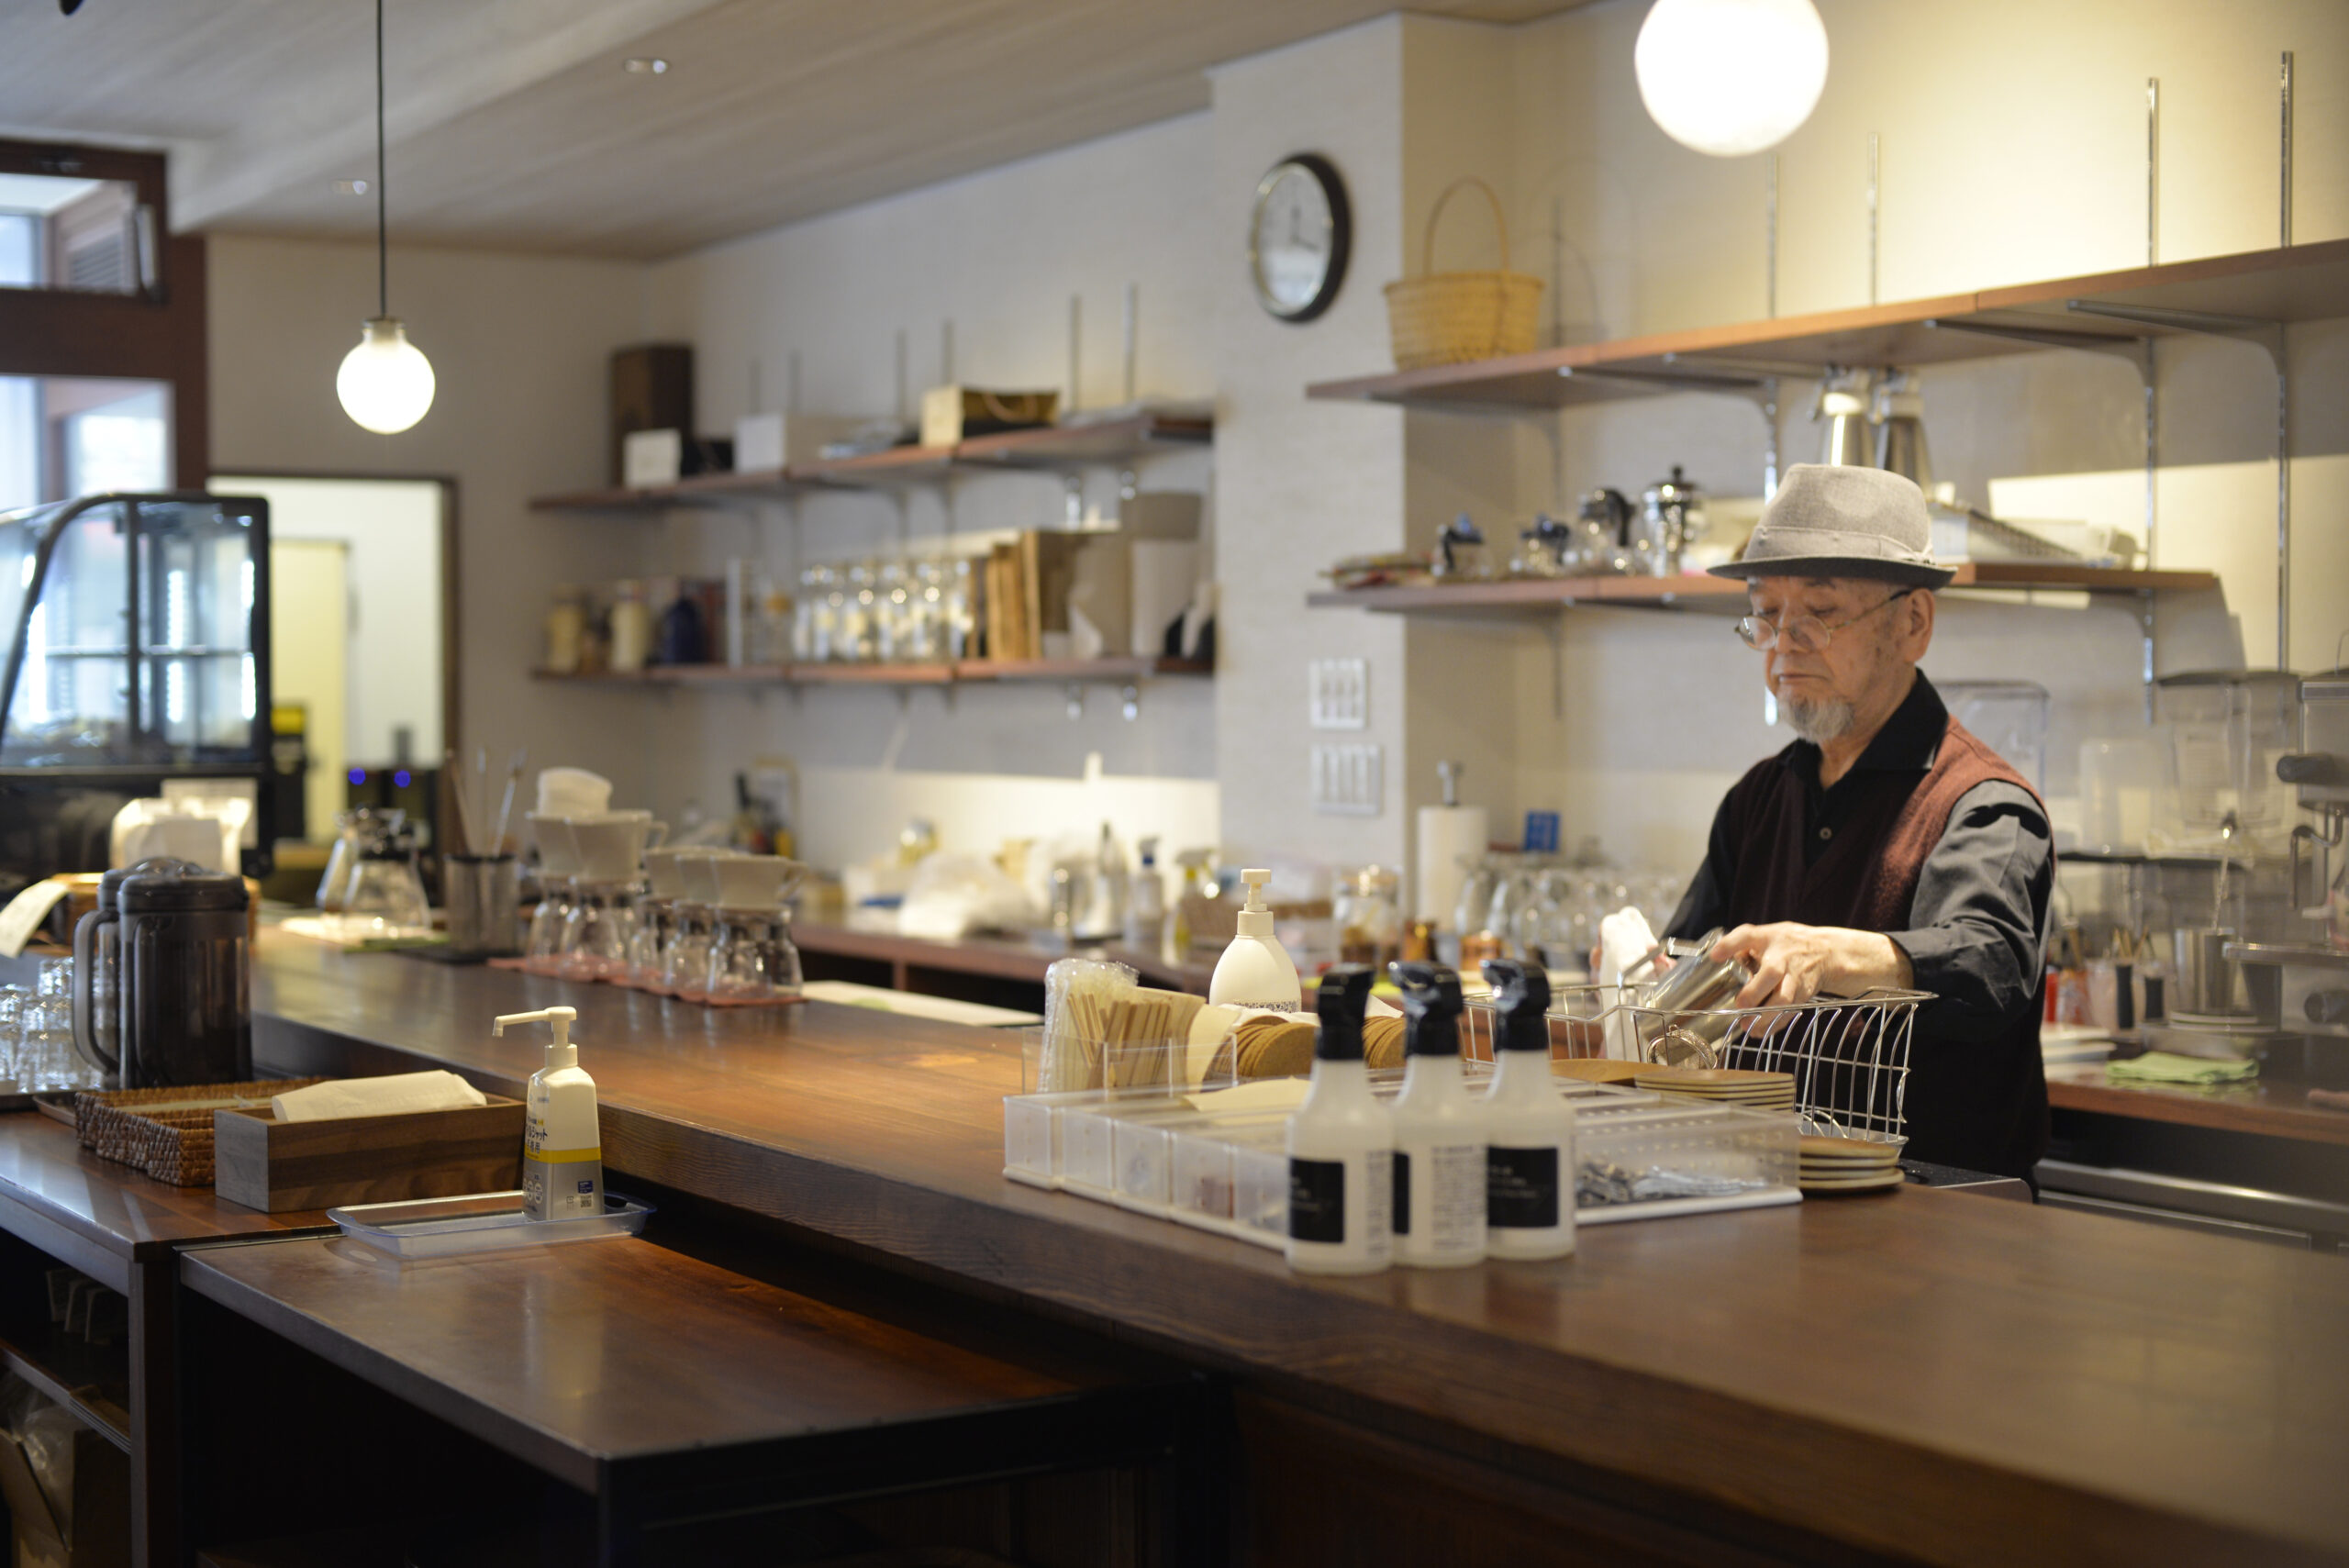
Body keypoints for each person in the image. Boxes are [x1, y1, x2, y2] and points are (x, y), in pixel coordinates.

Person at [1663, 463, 2054, 1179]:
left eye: (1821, 612)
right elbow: (1689, 958)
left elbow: (1988, 961)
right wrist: (1652, 976)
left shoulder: (1983, 802)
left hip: (1940, 1221)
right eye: (1768, 614)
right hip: (1767, 1194)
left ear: (1913, 623)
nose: (1785, 642)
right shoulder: (1759, 797)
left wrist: (1828, 956)